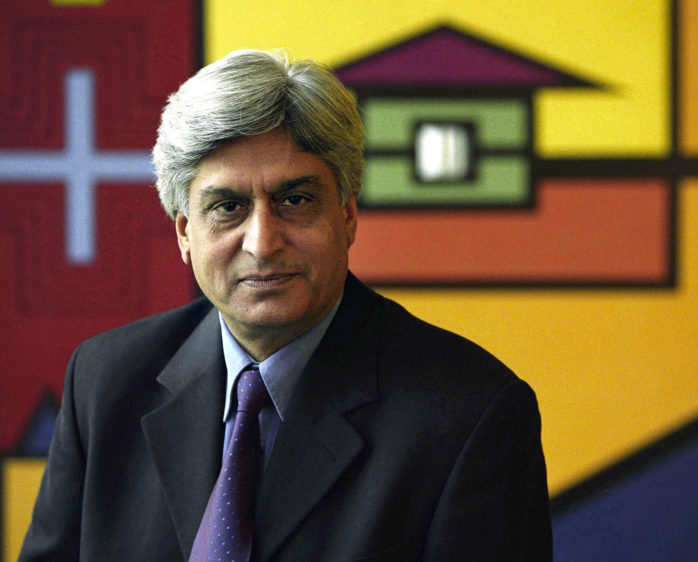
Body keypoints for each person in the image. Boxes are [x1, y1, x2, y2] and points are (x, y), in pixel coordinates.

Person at [20, 49, 553, 561]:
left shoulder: (471, 415)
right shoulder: (105, 381)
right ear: (185, 233)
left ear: (347, 215)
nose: (262, 243)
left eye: (294, 200)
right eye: (228, 207)